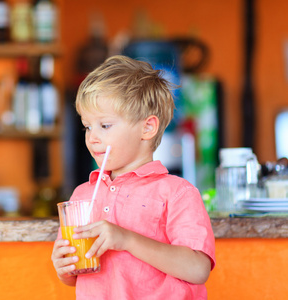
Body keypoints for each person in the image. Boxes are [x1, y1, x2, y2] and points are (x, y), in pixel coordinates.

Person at [51, 55, 215, 299]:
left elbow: (198, 269)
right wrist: (64, 267)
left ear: (147, 128)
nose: (92, 137)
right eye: (87, 126)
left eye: (104, 125)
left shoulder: (177, 193)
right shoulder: (82, 195)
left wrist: (125, 239)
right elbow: (76, 275)